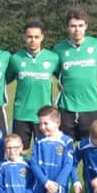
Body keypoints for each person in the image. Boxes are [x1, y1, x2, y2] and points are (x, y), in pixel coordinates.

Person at [7, 21, 59, 153]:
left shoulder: (53, 58)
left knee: (45, 150)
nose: (32, 40)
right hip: (22, 114)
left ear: (42, 37)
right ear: (24, 37)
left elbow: (64, 77)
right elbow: (4, 80)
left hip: (44, 115)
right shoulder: (15, 59)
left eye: (36, 37)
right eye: (29, 37)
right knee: (19, 151)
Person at [52, 8, 97, 141]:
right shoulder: (59, 49)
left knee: (91, 146)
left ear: (86, 26)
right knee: (65, 146)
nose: (77, 29)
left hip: (90, 105)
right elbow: (57, 71)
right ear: (67, 27)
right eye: (73, 26)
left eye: (80, 25)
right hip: (66, 106)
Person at [30, 106, 74, 193]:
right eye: (40, 124)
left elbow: (68, 165)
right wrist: (46, 182)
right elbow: (34, 163)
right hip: (41, 185)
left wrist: (55, 185)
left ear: (57, 123)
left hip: (58, 187)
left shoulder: (67, 141)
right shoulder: (39, 140)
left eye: (45, 123)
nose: (42, 127)